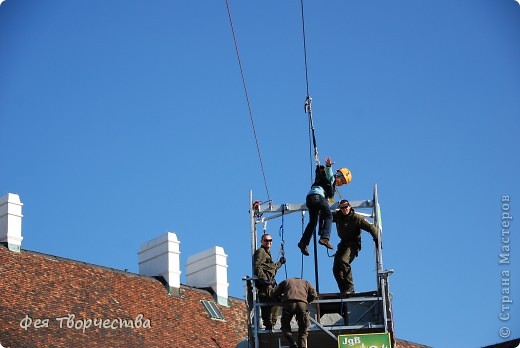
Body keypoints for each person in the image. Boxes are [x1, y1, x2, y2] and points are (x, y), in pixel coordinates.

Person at [298, 156, 352, 256]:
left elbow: (329, 197)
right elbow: (329, 173)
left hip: (310, 198)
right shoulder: (331, 179)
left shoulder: (330, 186)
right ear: (339, 175)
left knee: (313, 222)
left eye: (343, 183)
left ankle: (303, 243)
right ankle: (325, 238)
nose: (341, 184)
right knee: (329, 216)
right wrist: (328, 165)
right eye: (343, 181)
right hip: (318, 197)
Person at [332, 199, 378, 294]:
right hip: (343, 244)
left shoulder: (356, 218)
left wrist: (376, 239)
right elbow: (327, 216)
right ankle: (344, 289)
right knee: (336, 269)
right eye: (342, 208)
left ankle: (350, 287)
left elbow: (371, 228)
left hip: (353, 244)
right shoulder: (338, 216)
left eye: (346, 207)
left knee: (343, 261)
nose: (344, 209)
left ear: (349, 207)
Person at [271, 278, 317, 348]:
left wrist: (280, 300)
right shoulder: (305, 282)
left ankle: (292, 343)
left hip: (288, 304)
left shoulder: (286, 281)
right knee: (303, 328)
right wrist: (307, 301)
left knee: (285, 326)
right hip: (302, 304)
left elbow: (273, 293)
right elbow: (314, 294)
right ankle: (302, 346)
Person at [253, 233, 286, 330]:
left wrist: (280, 263)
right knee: (272, 302)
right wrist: (264, 280)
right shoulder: (261, 251)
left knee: (275, 301)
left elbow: (272, 269)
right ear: (261, 241)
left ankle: (271, 323)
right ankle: (269, 323)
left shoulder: (268, 252)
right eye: (266, 240)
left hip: (269, 284)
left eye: (270, 240)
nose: (268, 242)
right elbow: (257, 267)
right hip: (265, 286)